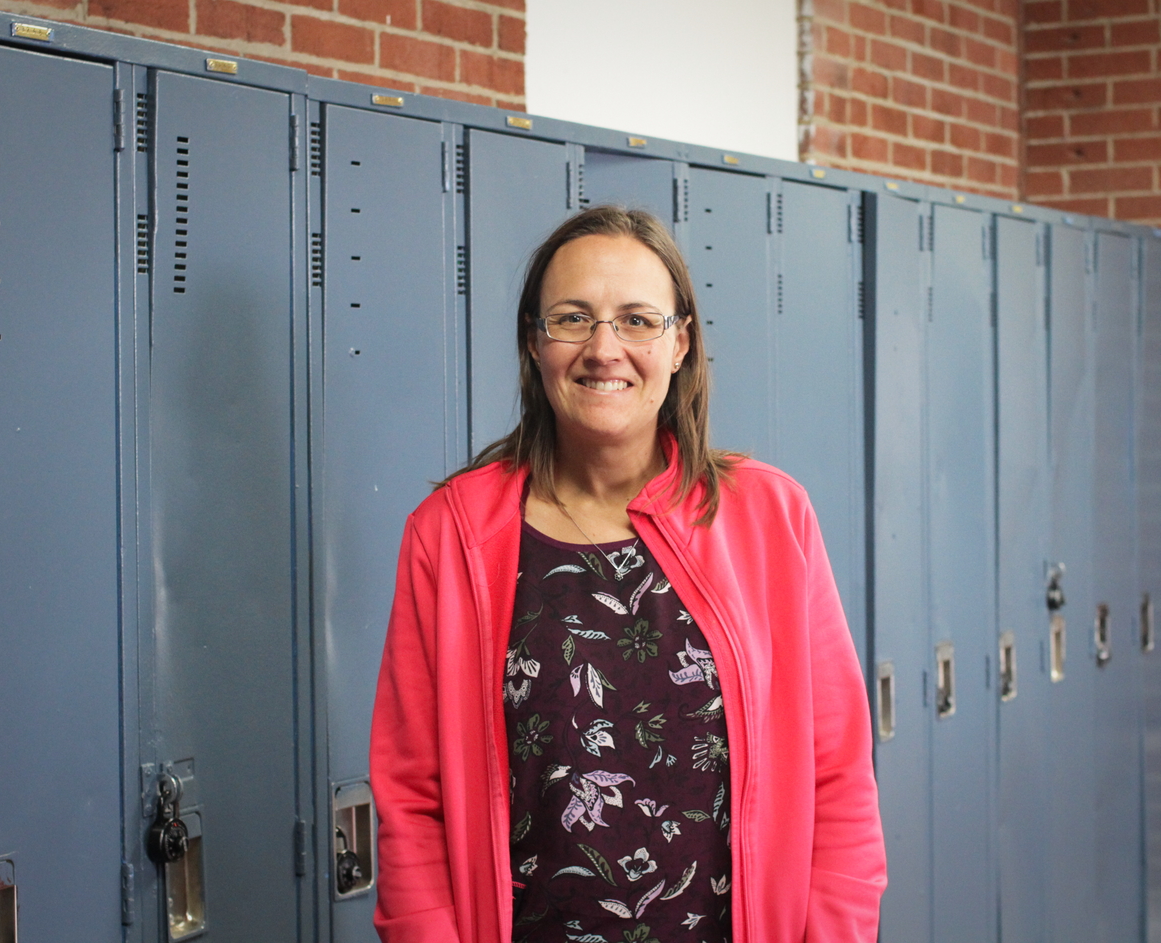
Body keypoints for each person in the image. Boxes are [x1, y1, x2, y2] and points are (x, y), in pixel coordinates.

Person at [370, 205, 886, 943]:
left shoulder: (769, 516)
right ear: (533, 342)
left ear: (681, 344)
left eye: (639, 320)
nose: (604, 348)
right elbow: (412, 797)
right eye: (573, 318)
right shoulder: (451, 534)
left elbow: (836, 778)